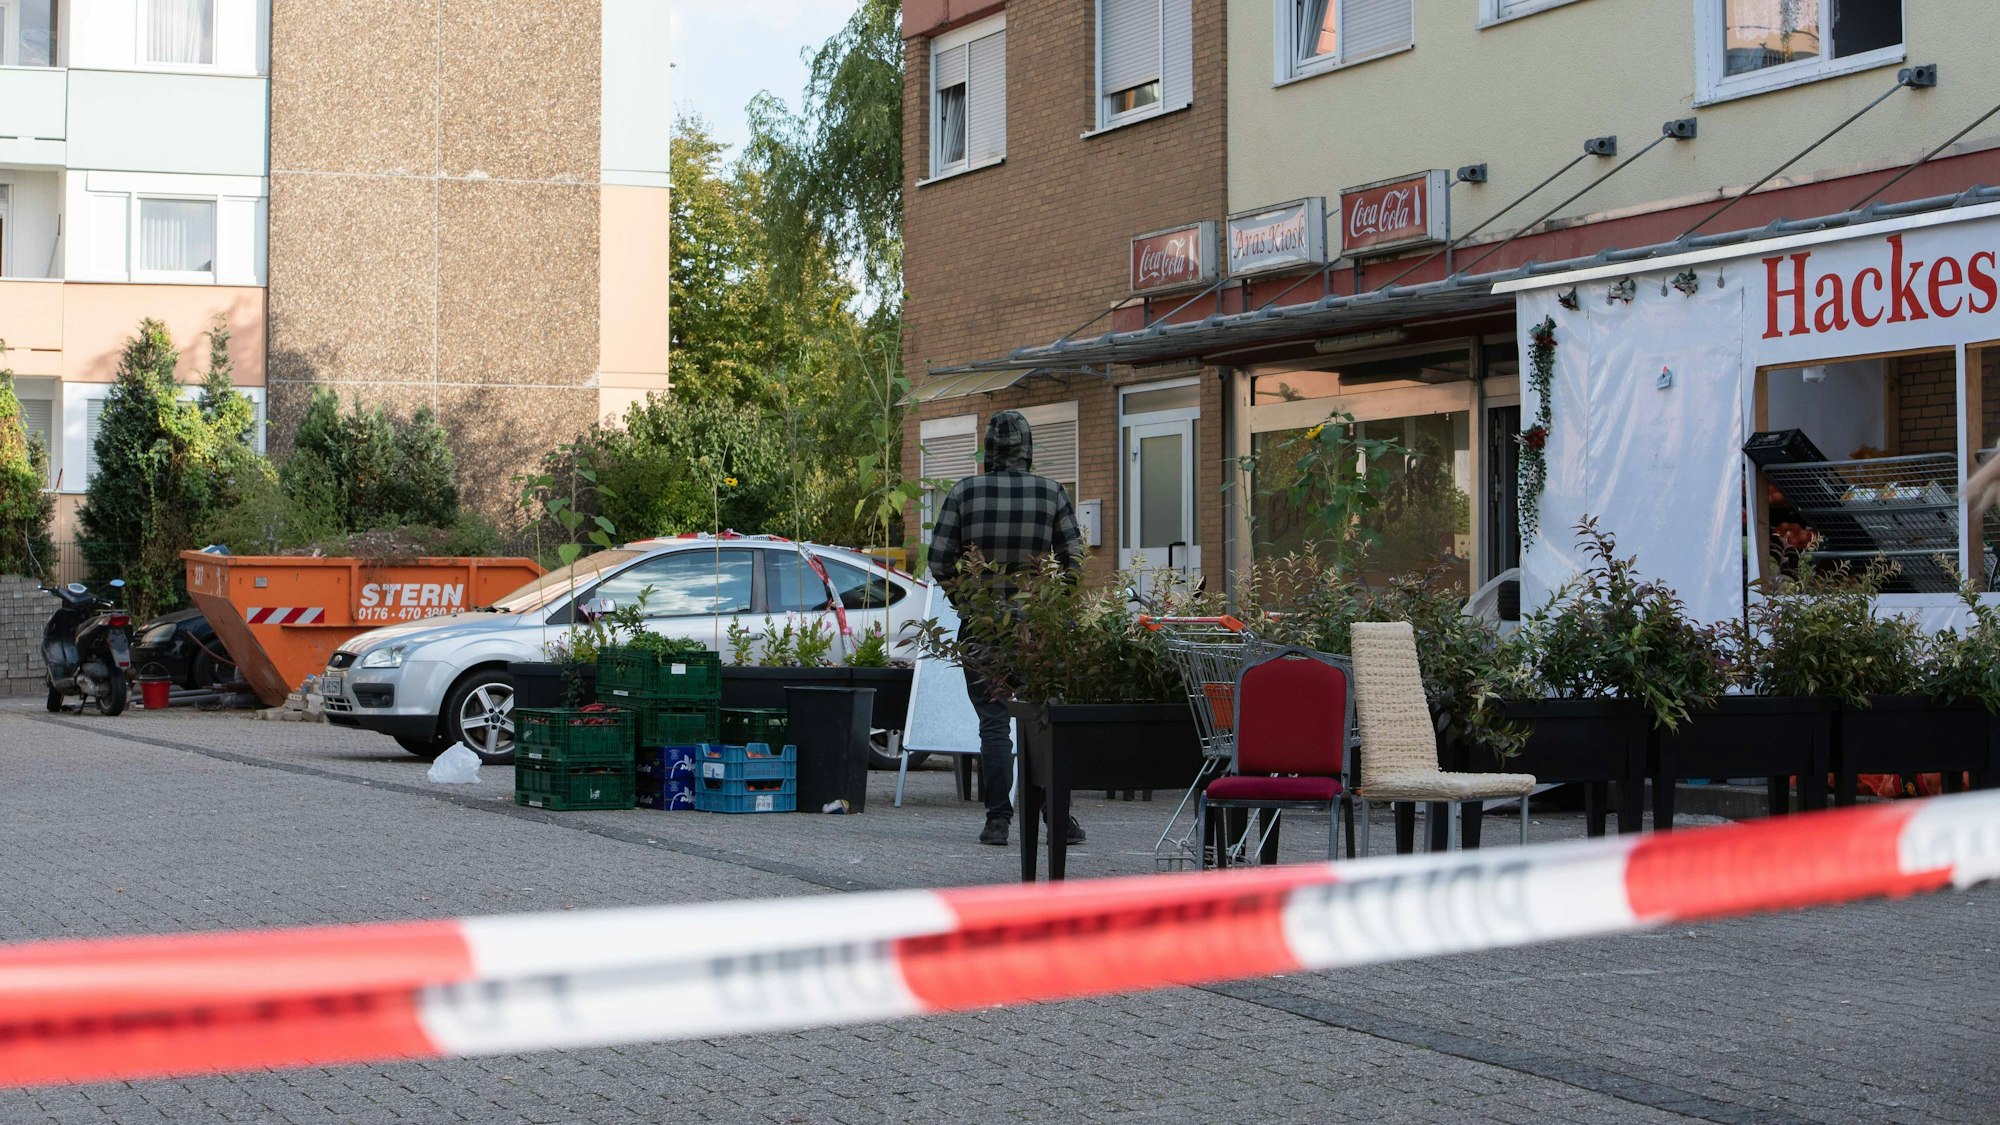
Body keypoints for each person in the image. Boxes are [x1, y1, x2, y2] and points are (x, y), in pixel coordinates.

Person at [928, 410, 1086, 847]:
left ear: (988, 450)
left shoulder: (964, 492)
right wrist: (1052, 605)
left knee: (994, 724)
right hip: (1040, 631)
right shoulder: (1052, 493)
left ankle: (998, 821)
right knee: (1043, 722)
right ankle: (1057, 818)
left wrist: (967, 603)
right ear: (1028, 449)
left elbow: (939, 560)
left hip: (983, 630)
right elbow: (1075, 559)